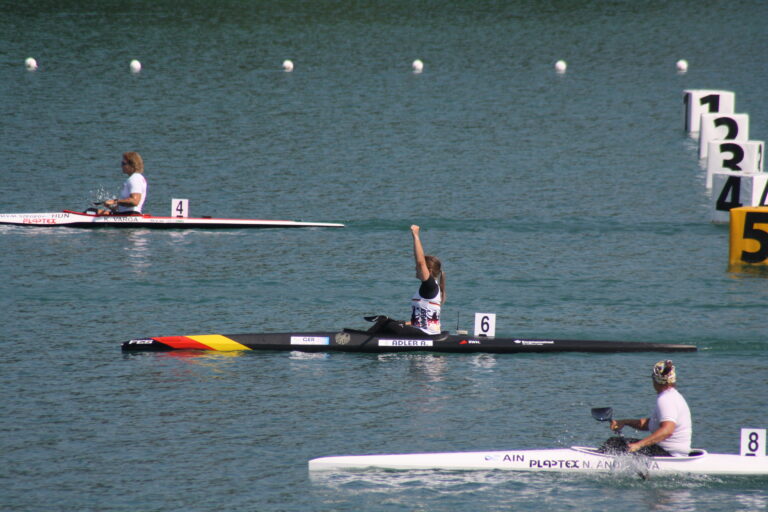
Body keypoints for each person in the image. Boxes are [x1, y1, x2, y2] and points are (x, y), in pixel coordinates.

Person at [368, 224, 446, 336]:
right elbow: (422, 319)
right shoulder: (431, 287)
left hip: (426, 334)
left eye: (418, 268)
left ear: (427, 270)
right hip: (422, 331)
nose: (415, 268)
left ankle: (357, 341)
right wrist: (403, 323)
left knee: (384, 322)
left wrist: (416, 236)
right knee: (389, 322)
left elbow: (420, 262)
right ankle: (365, 339)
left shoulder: (430, 286)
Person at [608, 360, 692, 457]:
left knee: (613, 443)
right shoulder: (674, 396)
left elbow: (668, 430)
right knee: (618, 444)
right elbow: (652, 424)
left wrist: (638, 445)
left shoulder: (666, 399)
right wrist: (625, 422)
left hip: (669, 454)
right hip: (671, 451)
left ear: (655, 380)